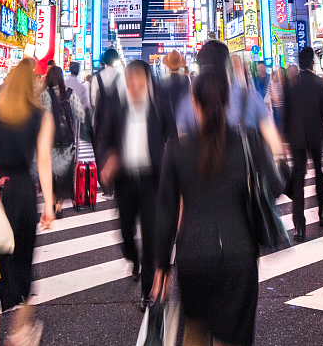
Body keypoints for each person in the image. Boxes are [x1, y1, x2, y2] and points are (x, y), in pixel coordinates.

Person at [151, 69, 268, 346]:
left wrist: (161, 268)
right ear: (228, 101)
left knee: (196, 329)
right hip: (240, 252)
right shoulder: (247, 142)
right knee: (234, 337)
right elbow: (274, 187)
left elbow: (166, 211)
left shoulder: (178, 149)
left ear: (194, 101)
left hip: (194, 254)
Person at [0, 59, 55, 346]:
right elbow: (43, 161)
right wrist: (50, 203)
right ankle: (19, 332)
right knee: (22, 262)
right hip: (22, 192)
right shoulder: (40, 116)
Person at [100, 59, 174, 301]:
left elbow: (172, 139)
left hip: (153, 180)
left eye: (139, 79)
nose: (135, 84)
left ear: (147, 81)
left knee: (152, 235)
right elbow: (105, 137)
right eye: (131, 79)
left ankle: (147, 291)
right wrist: (108, 159)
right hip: (125, 180)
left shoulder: (160, 106)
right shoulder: (117, 106)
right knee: (126, 230)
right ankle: (132, 256)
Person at [283, 46, 323, 240]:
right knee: (319, 172)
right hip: (315, 134)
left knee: (298, 180)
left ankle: (299, 226)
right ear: (312, 62)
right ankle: (321, 211)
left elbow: (285, 114)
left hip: (296, 136)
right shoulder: (319, 83)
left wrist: (285, 137)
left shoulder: (290, 85)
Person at [40, 64, 84, 216]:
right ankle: (59, 204)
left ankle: (51, 200)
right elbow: (81, 115)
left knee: (51, 171)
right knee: (65, 172)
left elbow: (41, 116)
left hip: (50, 140)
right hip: (67, 140)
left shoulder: (44, 94)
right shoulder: (69, 94)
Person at [157, 52, 190, 125]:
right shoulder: (185, 80)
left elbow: (159, 103)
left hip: (167, 120)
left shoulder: (163, 82)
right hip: (183, 119)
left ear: (168, 65)